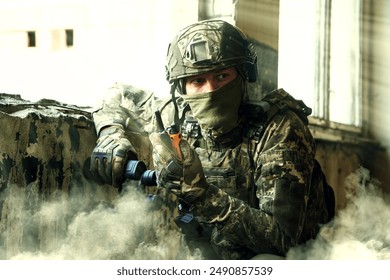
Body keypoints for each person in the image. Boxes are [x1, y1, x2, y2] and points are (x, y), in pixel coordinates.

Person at [89, 19, 335, 259]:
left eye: (222, 77)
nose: (211, 90)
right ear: (182, 88)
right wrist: (110, 134)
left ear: (243, 76)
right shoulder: (179, 114)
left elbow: (282, 239)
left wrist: (199, 193)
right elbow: (117, 94)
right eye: (198, 80)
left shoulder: (280, 128)